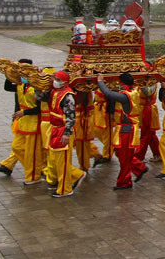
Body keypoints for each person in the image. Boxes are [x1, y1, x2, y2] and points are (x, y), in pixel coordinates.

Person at [0, 59, 44, 183]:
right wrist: (9, 73)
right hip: (21, 122)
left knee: (32, 152)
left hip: (33, 123)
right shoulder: (20, 84)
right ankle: (35, 169)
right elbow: (7, 87)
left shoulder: (36, 87)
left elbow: (41, 108)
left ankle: (34, 174)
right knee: (17, 147)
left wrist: (25, 112)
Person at [96, 72, 148, 190]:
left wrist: (100, 82)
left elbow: (108, 93)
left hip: (127, 129)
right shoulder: (133, 91)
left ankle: (124, 182)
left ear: (123, 84)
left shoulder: (125, 96)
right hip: (123, 128)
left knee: (124, 157)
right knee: (119, 152)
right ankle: (139, 168)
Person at [41, 70, 86, 198]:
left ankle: (65, 189)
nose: (55, 81)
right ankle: (74, 176)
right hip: (54, 128)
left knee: (63, 162)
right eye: (55, 79)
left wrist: (67, 133)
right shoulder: (53, 92)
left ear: (65, 82)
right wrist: (39, 84)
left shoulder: (68, 95)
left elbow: (71, 116)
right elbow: (40, 97)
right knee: (54, 159)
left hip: (63, 130)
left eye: (58, 80)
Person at [134, 75, 161, 164]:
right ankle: (158, 154)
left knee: (145, 134)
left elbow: (148, 92)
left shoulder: (151, 83)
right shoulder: (144, 81)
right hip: (144, 109)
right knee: (151, 135)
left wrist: (141, 82)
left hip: (148, 111)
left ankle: (139, 156)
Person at [73, 90, 100, 171]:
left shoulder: (83, 90)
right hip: (80, 118)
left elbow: (77, 101)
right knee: (78, 143)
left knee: (81, 144)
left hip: (83, 120)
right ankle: (95, 154)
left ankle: (84, 166)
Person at [92, 86, 114, 167]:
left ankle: (107, 155)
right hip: (98, 109)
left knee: (107, 134)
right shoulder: (97, 85)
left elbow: (112, 99)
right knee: (96, 130)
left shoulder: (110, 85)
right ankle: (111, 146)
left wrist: (111, 112)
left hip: (106, 111)